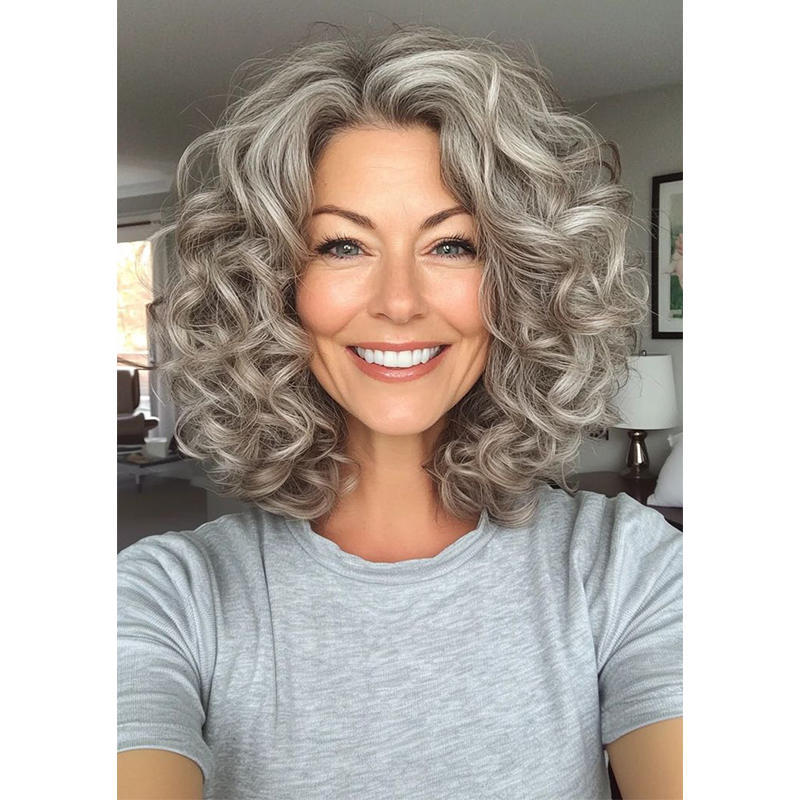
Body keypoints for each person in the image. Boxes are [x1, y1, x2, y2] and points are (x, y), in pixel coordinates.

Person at [118, 25, 682, 800]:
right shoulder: (167, 599)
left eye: (451, 246)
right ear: (273, 285)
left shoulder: (624, 567)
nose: (398, 302)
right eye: (342, 246)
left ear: (518, 282)